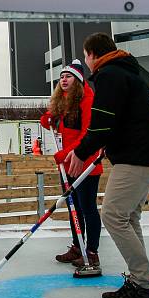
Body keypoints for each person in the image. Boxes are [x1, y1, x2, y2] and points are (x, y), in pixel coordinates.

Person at [65, 33, 149, 298]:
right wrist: (106, 146)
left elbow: (102, 121)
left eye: (86, 56)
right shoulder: (124, 72)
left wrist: (81, 151)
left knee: (113, 215)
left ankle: (144, 285)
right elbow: (122, 119)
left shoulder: (110, 75)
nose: (87, 63)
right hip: (142, 153)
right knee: (128, 216)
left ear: (92, 54)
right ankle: (141, 282)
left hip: (138, 155)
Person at [39, 59, 101, 268]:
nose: (64, 80)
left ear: (79, 80)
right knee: (74, 208)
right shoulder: (63, 101)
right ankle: (77, 246)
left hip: (86, 164)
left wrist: (65, 153)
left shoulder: (87, 100)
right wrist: (48, 119)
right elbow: (57, 125)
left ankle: (91, 252)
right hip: (67, 165)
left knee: (87, 208)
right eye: (62, 77)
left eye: (69, 77)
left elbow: (87, 134)